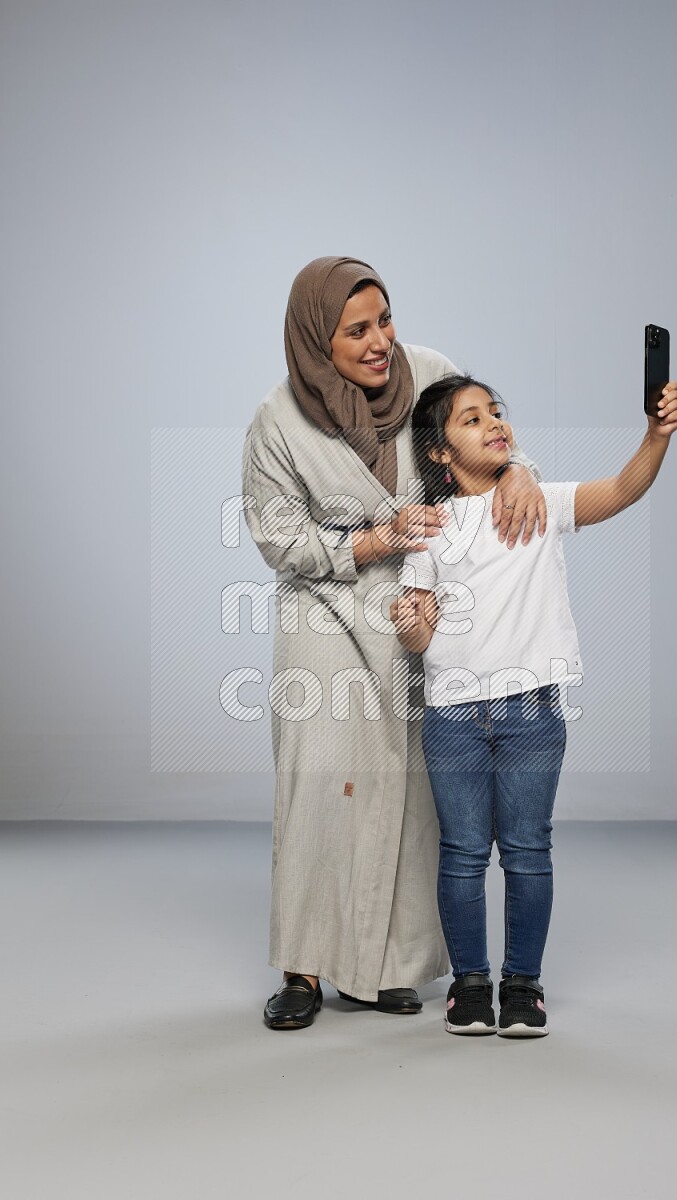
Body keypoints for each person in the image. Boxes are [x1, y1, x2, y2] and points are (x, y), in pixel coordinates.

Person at [241, 257, 548, 1030]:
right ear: (318, 339)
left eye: (386, 320)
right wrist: (373, 540)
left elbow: (488, 443)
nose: (381, 342)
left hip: (426, 604)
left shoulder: (432, 374)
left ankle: (383, 970)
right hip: (327, 604)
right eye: (357, 330)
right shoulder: (278, 422)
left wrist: (520, 475)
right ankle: (304, 971)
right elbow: (280, 541)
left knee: (415, 789)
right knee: (317, 782)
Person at [390, 371, 677, 1036]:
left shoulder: (538, 500)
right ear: (439, 451)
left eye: (495, 412)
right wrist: (409, 622)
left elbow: (621, 490)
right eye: (471, 419)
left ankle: (522, 983)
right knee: (464, 853)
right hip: (454, 716)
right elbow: (422, 629)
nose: (494, 423)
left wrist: (656, 435)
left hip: (532, 712)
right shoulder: (432, 527)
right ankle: (471, 984)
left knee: (527, 849)